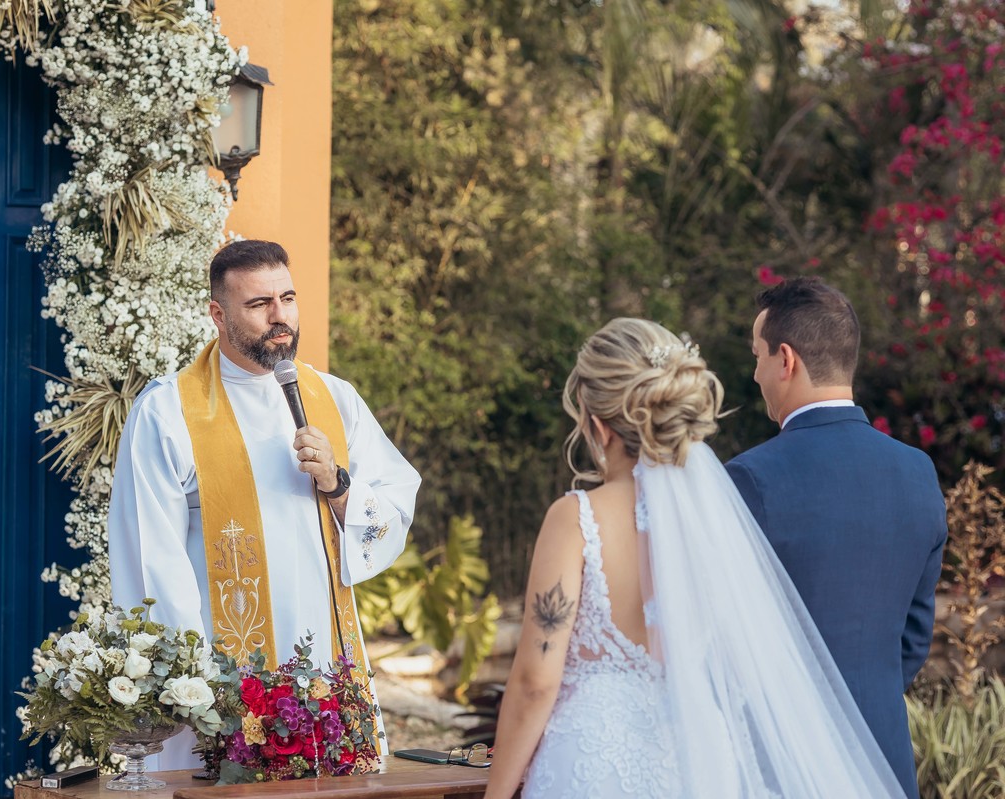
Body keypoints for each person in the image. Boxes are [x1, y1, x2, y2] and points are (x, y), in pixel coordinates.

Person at [484, 318, 905, 799]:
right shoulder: (714, 523)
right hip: (701, 761)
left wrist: (496, 793)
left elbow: (537, 681)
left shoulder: (575, 518)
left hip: (591, 765)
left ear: (596, 422)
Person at [108, 239, 421, 769]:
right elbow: (149, 559)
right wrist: (197, 686)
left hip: (325, 659)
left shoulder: (334, 397)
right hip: (224, 671)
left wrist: (339, 486)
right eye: (259, 304)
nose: (281, 317)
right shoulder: (167, 413)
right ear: (218, 314)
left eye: (288, 298)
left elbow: (394, 508)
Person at [725, 277, 947, 798]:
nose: (755, 373)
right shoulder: (918, 472)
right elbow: (914, 636)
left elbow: (722, 635)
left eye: (757, 356)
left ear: (786, 359)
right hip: (883, 759)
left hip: (781, 763)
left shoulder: (750, 479)